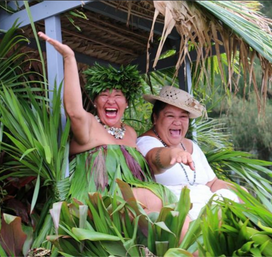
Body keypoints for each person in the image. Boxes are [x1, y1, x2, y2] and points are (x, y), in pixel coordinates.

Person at [37, 32, 176, 213]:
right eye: (104, 95)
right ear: (95, 102)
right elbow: (74, 111)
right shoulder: (89, 125)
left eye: (117, 95)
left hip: (138, 206)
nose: (111, 101)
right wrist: (69, 58)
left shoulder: (131, 133)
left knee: (172, 202)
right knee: (154, 200)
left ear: (126, 103)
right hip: (99, 207)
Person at [137, 86, 243, 220]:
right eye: (170, 116)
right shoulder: (145, 142)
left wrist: (240, 192)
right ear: (155, 118)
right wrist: (172, 154)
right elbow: (154, 159)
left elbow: (212, 183)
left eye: (183, 117)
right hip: (179, 216)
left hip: (208, 207)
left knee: (236, 196)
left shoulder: (191, 146)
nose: (177, 122)